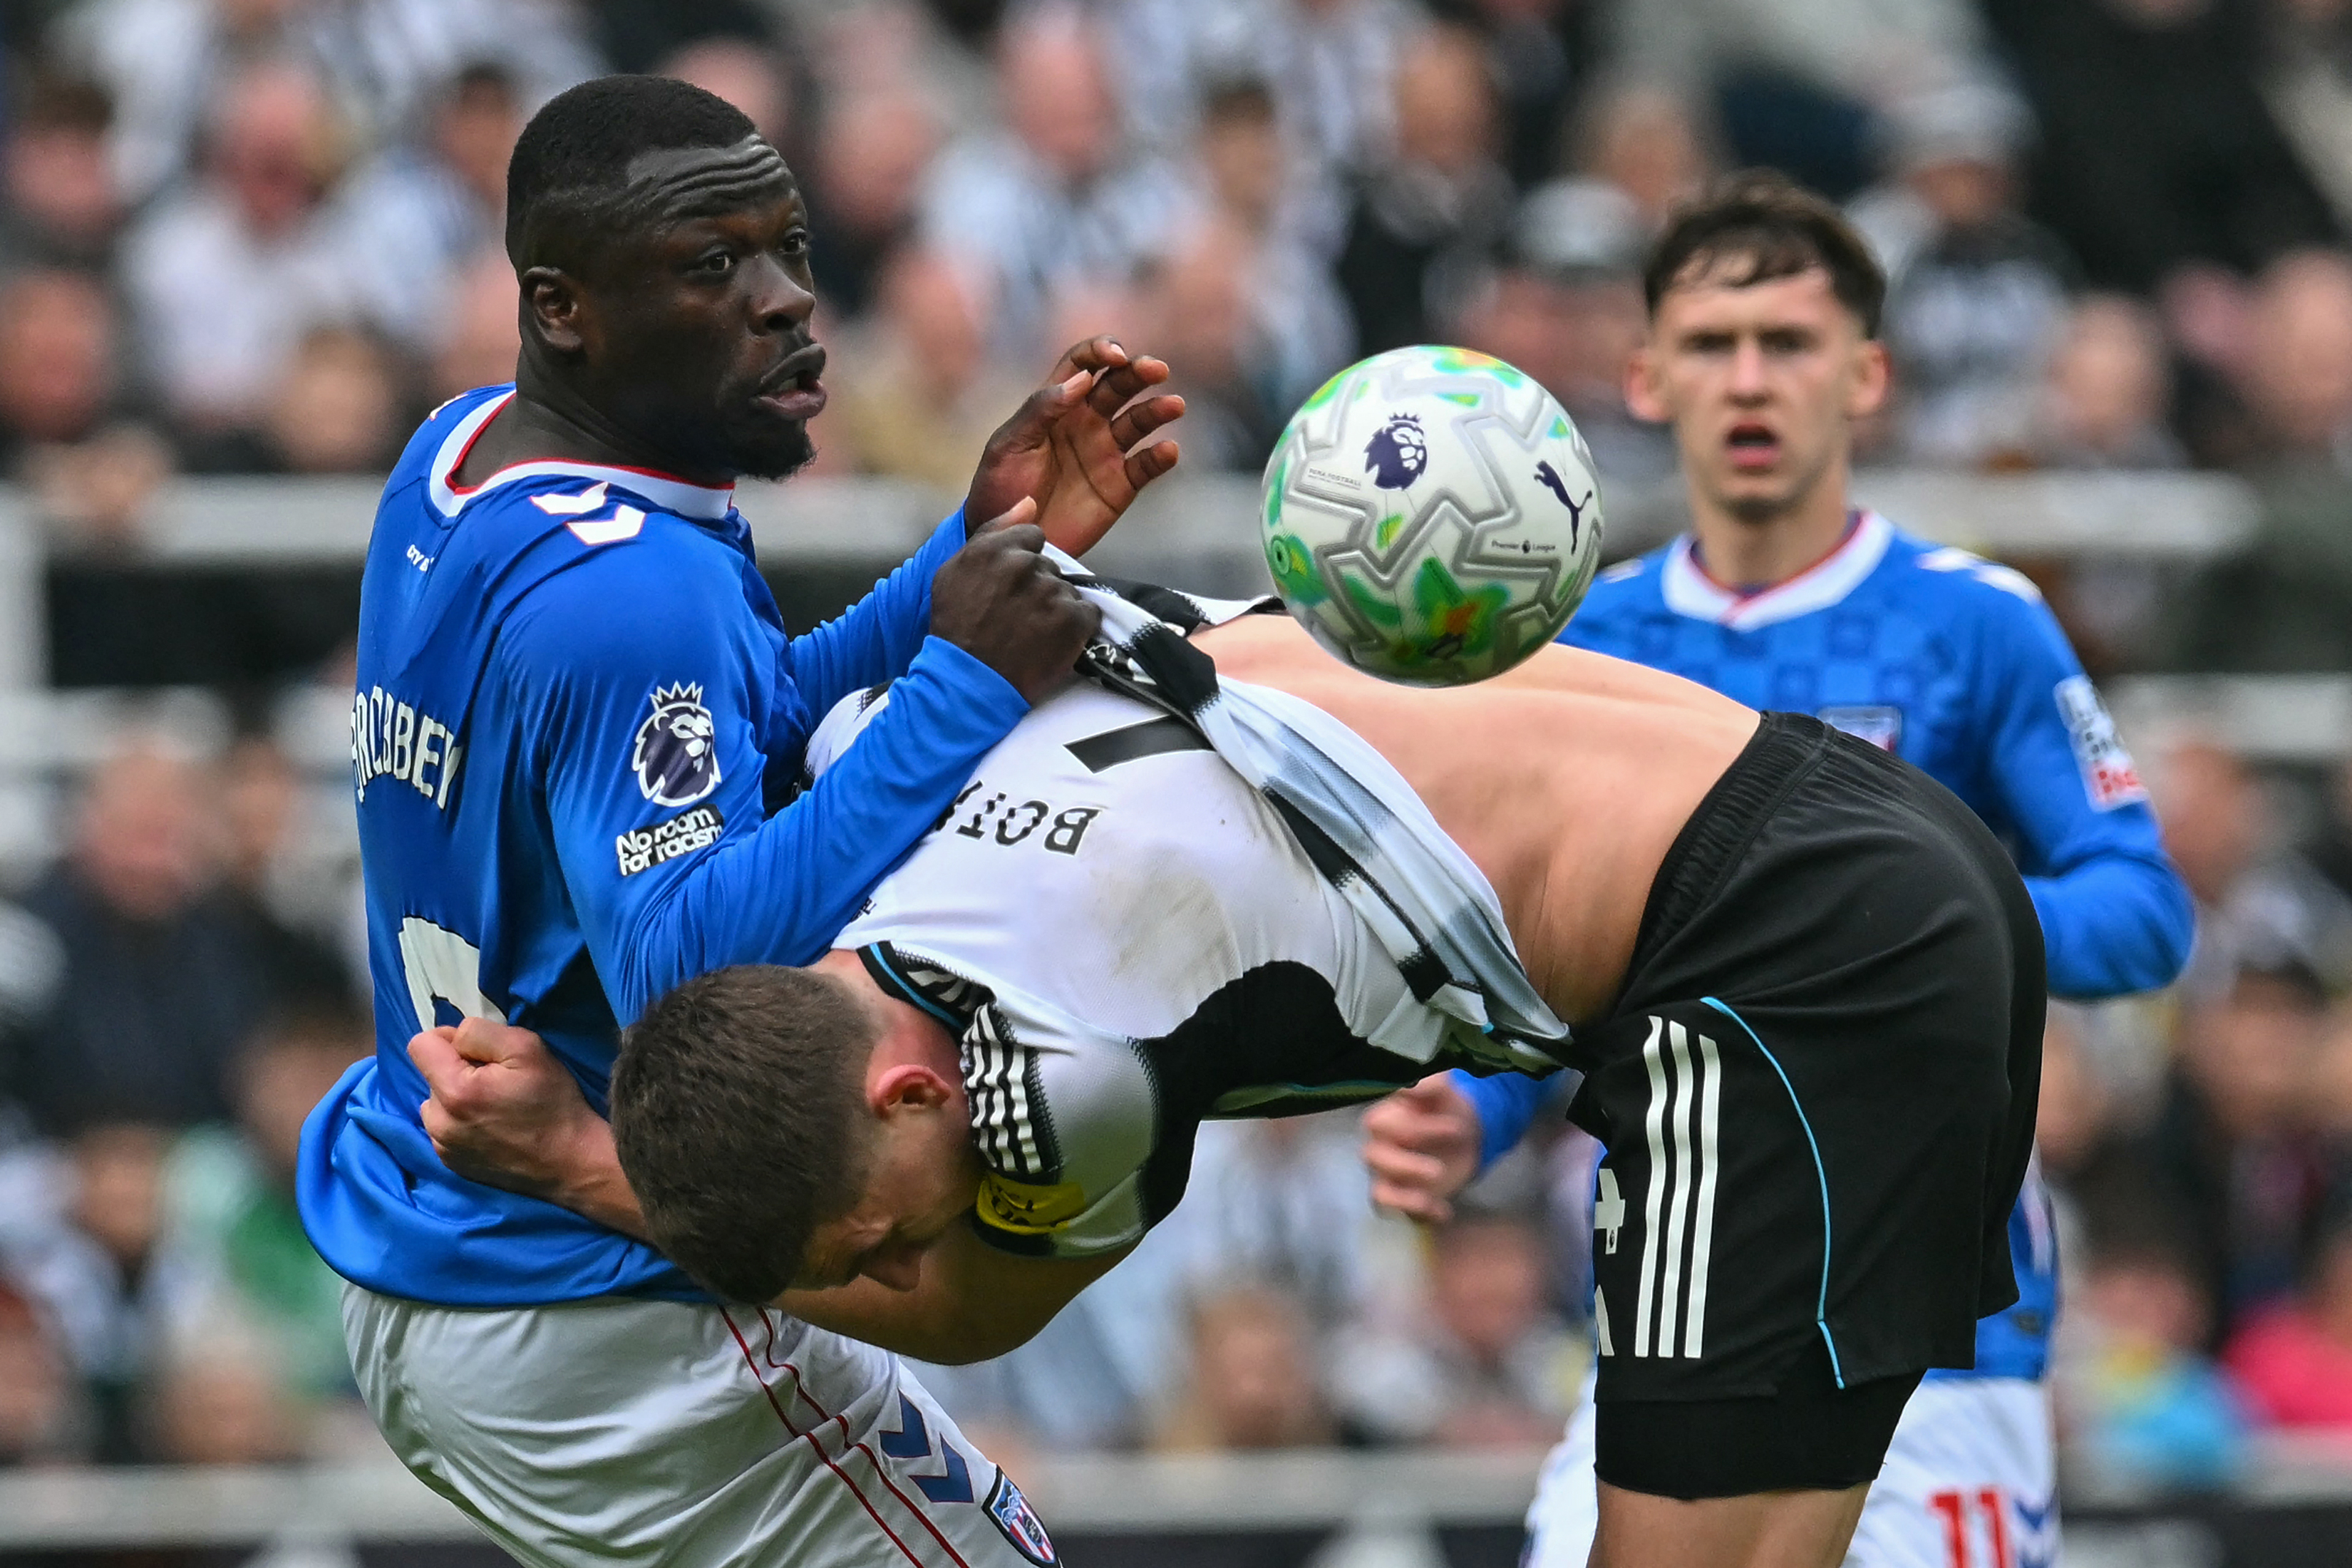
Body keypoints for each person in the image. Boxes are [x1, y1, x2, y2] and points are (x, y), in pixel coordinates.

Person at [420, 575, 2046, 1568]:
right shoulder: (872, 763)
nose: (899, 1272)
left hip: (1791, 954)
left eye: (877, 1239)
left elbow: (980, 1311)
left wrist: (584, 1170)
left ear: (913, 1097)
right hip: (1823, 832)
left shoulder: (1067, 1060)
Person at [292, 74, 1185, 1568]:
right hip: (584, 1294)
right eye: (713, 267)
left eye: (788, 251)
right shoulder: (631, 590)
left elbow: (730, 718)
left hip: (435, 1227)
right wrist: (959, 692)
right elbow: (685, 976)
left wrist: (963, 562)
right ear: (562, 304)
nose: (783, 304)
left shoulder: (464, 455)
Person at [1363, 172, 2192, 1568]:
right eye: (1710, 343)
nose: (1750, 379)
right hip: (1671, 1307)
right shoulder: (1592, 648)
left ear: (1866, 374)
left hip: (1944, 1330)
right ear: (1644, 374)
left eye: (1790, 343)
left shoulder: (1973, 622)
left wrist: (1898, 932)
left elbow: (2143, 909)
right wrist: (1471, 1108)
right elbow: (1552, 970)